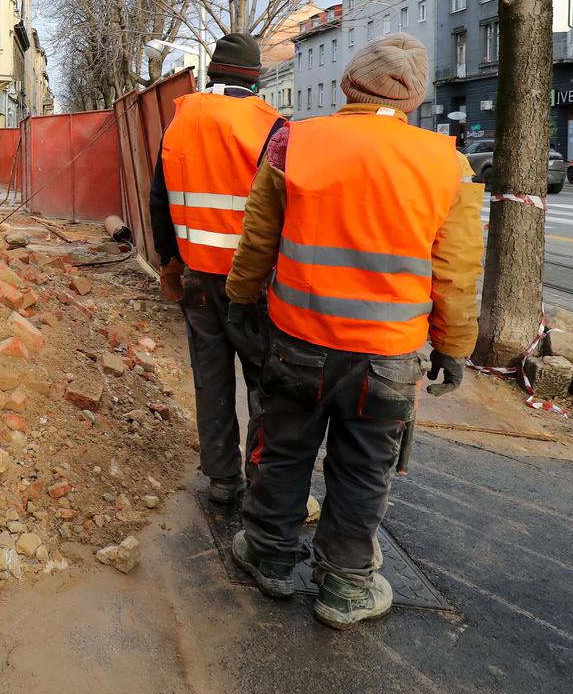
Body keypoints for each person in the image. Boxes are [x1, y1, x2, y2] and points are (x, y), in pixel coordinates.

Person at [224, 34, 482, 629]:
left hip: (297, 342)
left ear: (347, 84)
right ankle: (345, 585)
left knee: (284, 451)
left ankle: (269, 556)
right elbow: (457, 269)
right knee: (364, 467)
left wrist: (240, 299)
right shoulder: (447, 162)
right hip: (386, 358)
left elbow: (258, 238)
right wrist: (454, 345)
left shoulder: (295, 140)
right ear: (414, 97)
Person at [150, 33, 285, 507]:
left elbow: (159, 199)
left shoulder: (180, 122)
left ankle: (223, 480)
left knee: (211, 379)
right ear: (256, 77)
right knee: (265, 382)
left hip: (196, 277)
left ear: (213, 74)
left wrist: (169, 261)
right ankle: (264, 482)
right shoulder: (271, 127)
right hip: (252, 284)